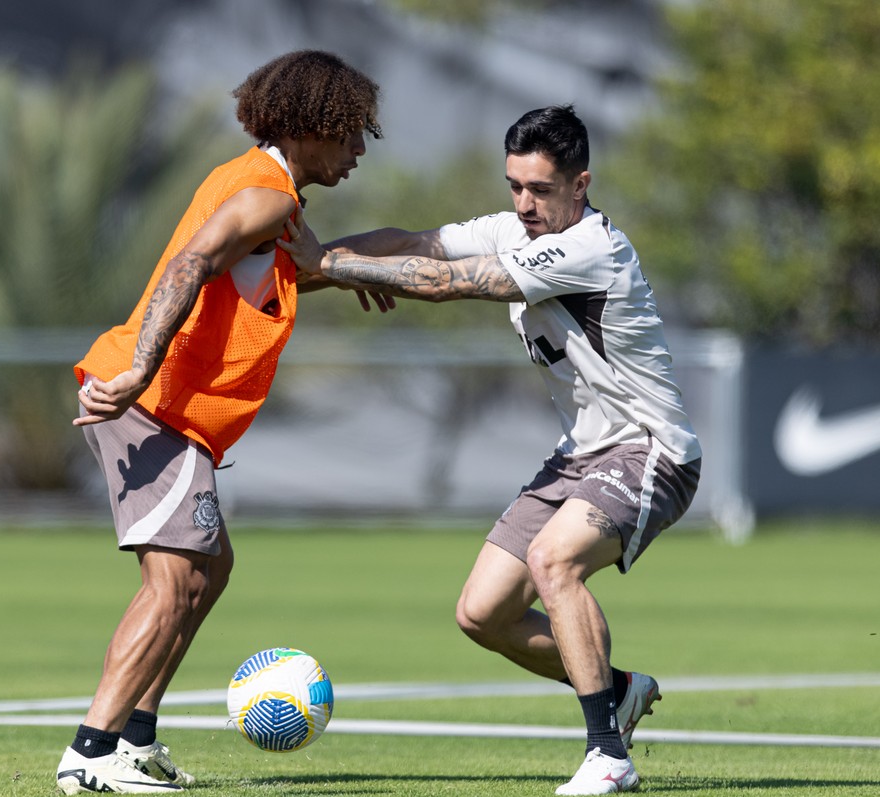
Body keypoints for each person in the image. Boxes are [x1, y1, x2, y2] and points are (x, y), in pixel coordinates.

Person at [279, 104, 702, 796]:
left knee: (553, 560)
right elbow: (414, 242)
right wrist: (311, 274)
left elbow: (455, 283)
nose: (524, 203)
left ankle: (608, 754)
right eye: (514, 185)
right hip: (581, 455)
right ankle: (618, 690)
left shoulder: (592, 248)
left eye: (540, 189)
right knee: (482, 611)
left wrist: (333, 261)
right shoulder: (515, 227)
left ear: (580, 184)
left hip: (650, 450)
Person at [56, 50, 385, 795]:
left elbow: (279, 269)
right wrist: (140, 367)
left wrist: (356, 269)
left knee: (210, 569)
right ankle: (91, 753)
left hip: (169, 412)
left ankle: (135, 737)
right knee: (173, 583)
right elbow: (190, 265)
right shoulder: (265, 196)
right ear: (314, 125)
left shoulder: (261, 189)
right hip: (153, 403)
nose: (361, 149)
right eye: (352, 133)